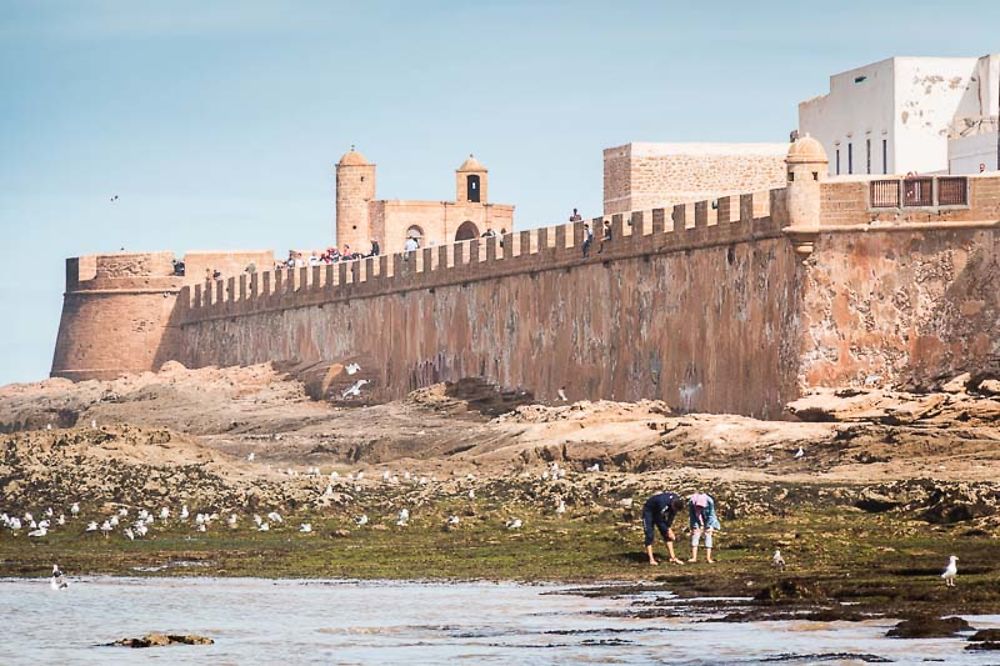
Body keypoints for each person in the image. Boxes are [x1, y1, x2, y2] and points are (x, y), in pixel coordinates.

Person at [642, 491, 686, 566]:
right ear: (672, 504)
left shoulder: (676, 501)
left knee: (667, 535)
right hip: (649, 512)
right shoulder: (662, 502)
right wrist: (667, 530)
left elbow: (671, 517)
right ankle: (651, 559)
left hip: (659, 513)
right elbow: (659, 518)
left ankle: (673, 557)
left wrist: (668, 528)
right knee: (649, 535)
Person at [688, 491, 721, 563]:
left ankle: (708, 558)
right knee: (695, 534)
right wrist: (695, 526)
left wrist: (708, 526)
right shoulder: (692, 502)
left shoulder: (710, 502)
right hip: (695, 517)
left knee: (708, 534)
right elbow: (692, 515)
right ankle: (694, 557)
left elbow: (711, 515)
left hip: (708, 518)